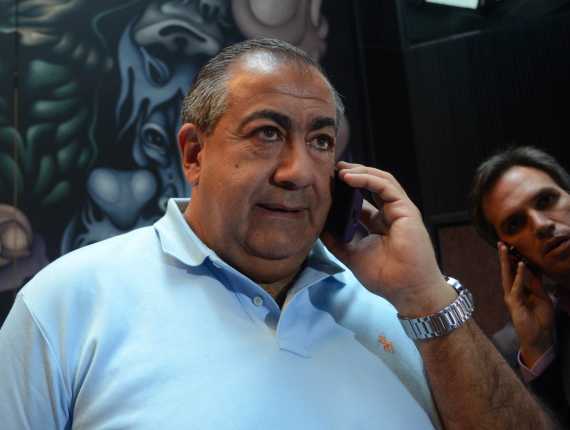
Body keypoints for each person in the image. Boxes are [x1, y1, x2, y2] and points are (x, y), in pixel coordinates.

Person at [0, 39, 552, 429]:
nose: (299, 172)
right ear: (194, 153)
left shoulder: (401, 307)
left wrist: (426, 296)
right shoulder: (68, 303)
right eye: (267, 133)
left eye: (321, 141)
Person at [471, 145, 570, 425]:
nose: (540, 225)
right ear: (511, 254)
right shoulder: (519, 348)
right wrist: (539, 351)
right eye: (515, 224)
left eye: (546, 200)